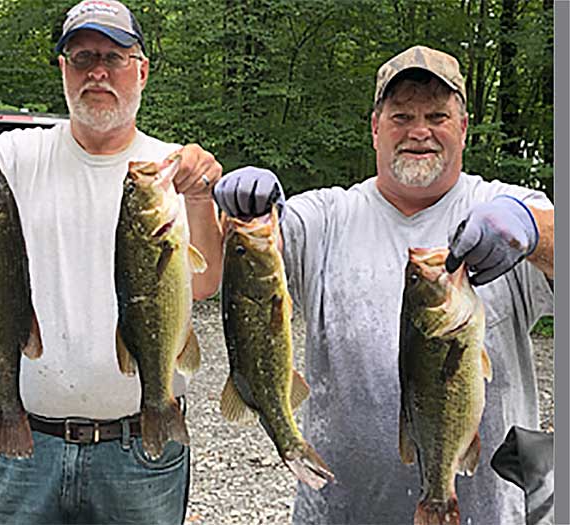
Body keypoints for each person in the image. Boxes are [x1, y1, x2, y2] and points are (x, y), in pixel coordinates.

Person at [0, 1, 223, 524]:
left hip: (139, 449)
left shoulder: (171, 169)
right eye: (82, 56)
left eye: (114, 56)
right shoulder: (14, 157)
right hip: (23, 434)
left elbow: (202, 286)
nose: (98, 71)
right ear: (63, 69)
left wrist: (201, 198)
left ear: (142, 69)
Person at [213, 45, 554, 525]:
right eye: (402, 116)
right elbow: (226, 267)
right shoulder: (327, 216)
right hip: (339, 511)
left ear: (462, 127)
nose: (419, 131)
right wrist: (236, 208)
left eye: (437, 115)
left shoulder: (504, 204)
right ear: (375, 128)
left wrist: (534, 231)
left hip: (486, 511)